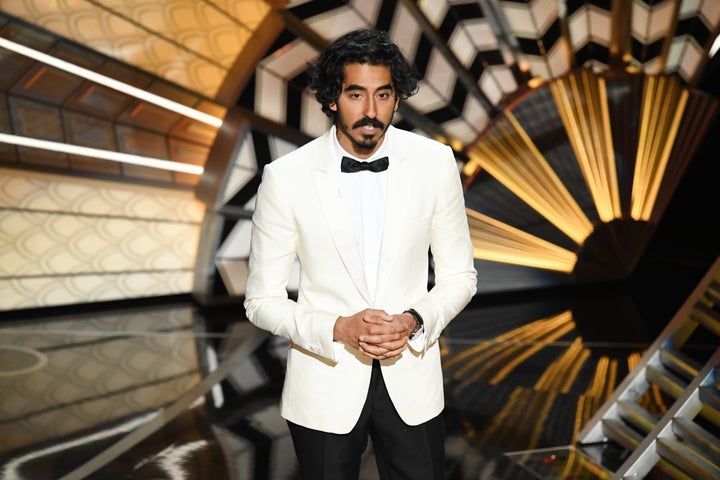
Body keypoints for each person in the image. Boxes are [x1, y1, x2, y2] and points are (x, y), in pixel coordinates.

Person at [243, 28, 477, 480]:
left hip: (412, 378)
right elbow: (261, 301)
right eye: (355, 94)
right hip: (323, 384)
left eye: (383, 95)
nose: (370, 111)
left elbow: (460, 276)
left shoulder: (435, 163)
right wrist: (338, 328)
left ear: (396, 98)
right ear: (332, 98)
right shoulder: (285, 177)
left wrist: (413, 319)